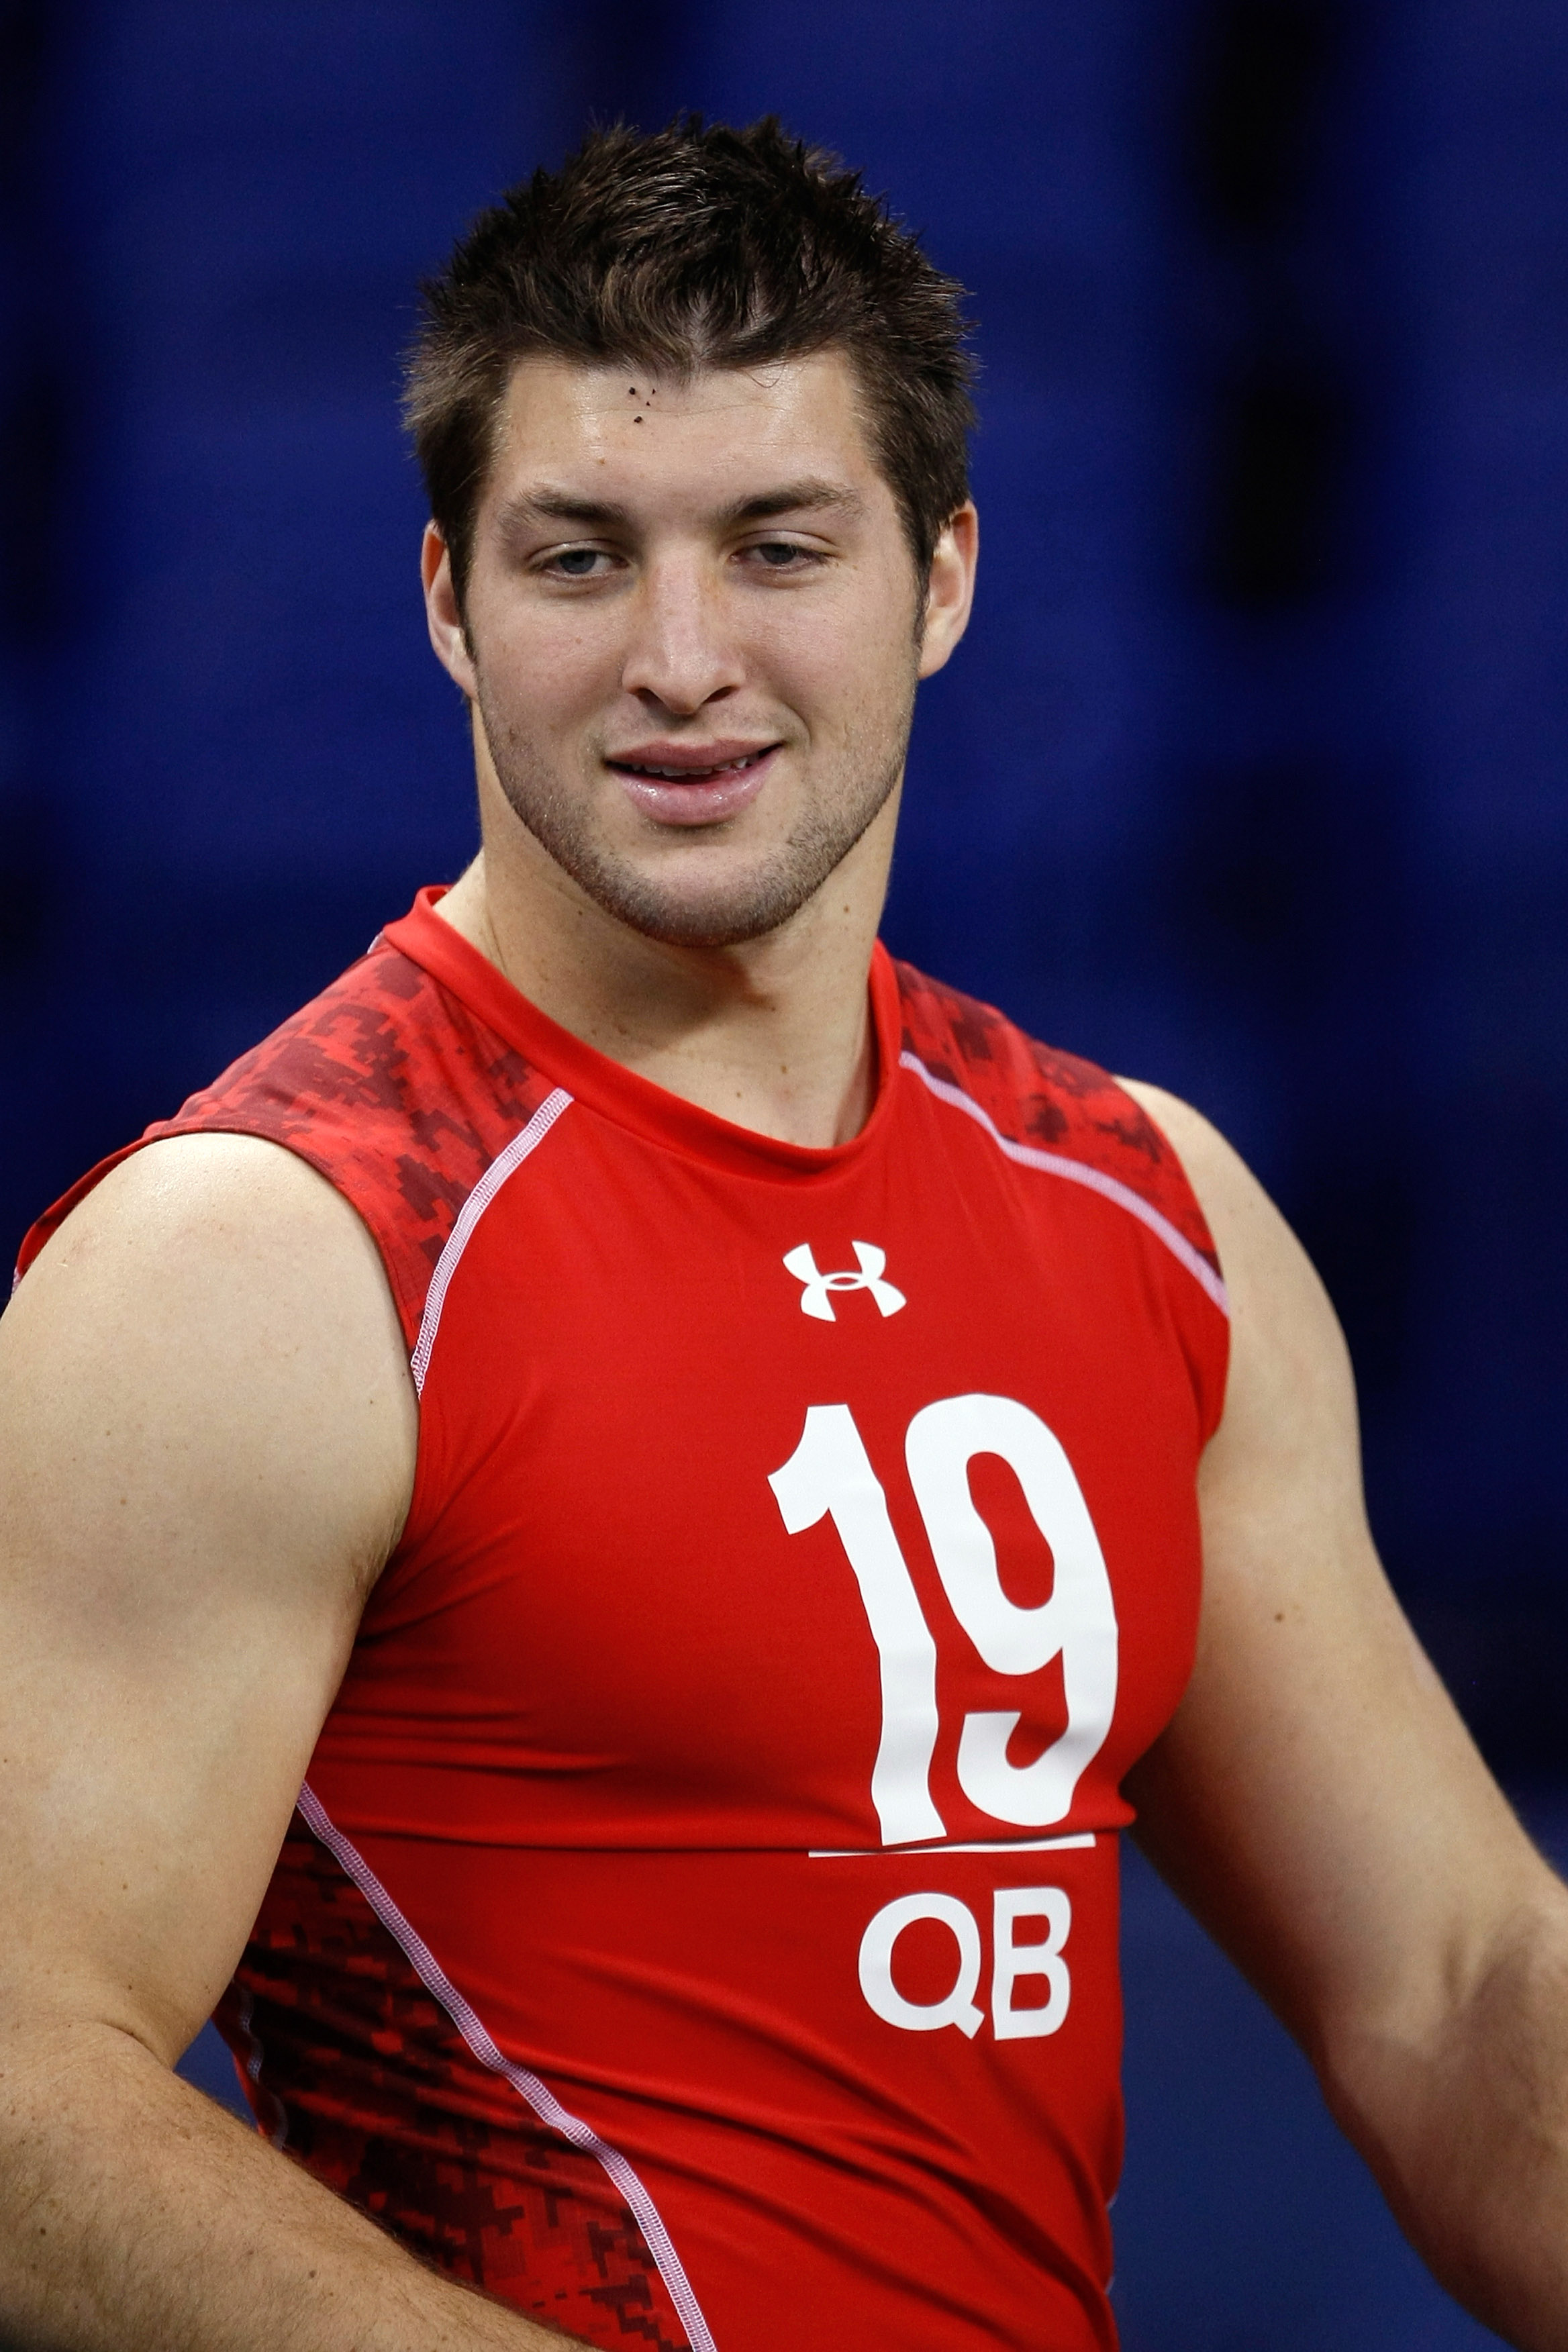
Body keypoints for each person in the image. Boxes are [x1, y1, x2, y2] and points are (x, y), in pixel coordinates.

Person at [1, 114, 1565, 2352]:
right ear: (446, 603)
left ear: (941, 579)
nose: (681, 657)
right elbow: (18, 2090)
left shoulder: (1149, 1209)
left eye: (776, 545)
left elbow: (1456, 1980)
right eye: (577, 559)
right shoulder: (268, 1260)